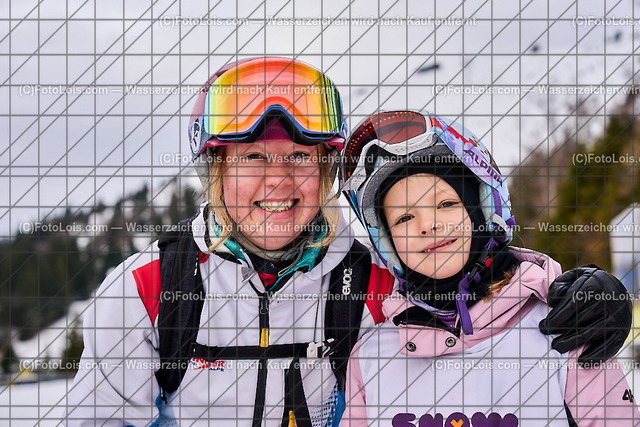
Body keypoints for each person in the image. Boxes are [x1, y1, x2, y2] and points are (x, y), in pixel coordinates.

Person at [64, 59, 631, 426]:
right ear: (215, 172)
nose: (279, 182)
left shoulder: (377, 284)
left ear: (325, 173)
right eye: (253, 158)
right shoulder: (147, 291)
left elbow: (476, 308)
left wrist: (581, 297)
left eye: (300, 159)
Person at [339, 111, 638, 426]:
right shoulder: (372, 357)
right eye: (404, 218)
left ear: (482, 209)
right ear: (387, 241)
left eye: (445, 204)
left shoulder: (565, 327)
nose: (427, 225)